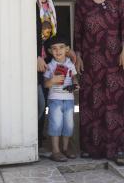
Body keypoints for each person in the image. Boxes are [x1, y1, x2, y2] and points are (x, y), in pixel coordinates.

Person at [74, 0, 124, 166]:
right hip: (90, 62)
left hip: (116, 61)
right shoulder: (81, 2)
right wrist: (78, 55)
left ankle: (117, 150)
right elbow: (78, 32)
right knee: (91, 105)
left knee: (116, 105)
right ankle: (91, 149)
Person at [44, 34, 79, 162]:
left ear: (67, 49)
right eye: (54, 48)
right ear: (49, 51)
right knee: (56, 123)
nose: (58, 51)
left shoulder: (70, 64)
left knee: (68, 125)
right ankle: (55, 151)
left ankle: (65, 148)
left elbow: (74, 76)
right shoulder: (50, 66)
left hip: (69, 99)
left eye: (61, 47)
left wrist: (75, 84)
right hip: (55, 99)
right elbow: (46, 84)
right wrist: (52, 80)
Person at [36, 0, 58, 148]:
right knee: (38, 102)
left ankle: (39, 141)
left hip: (47, 62)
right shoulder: (30, 1)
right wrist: (35, 56)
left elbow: (52, 35)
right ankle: (32, 140)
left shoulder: (49, 4)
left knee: (44, 100)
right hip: (33, 61)